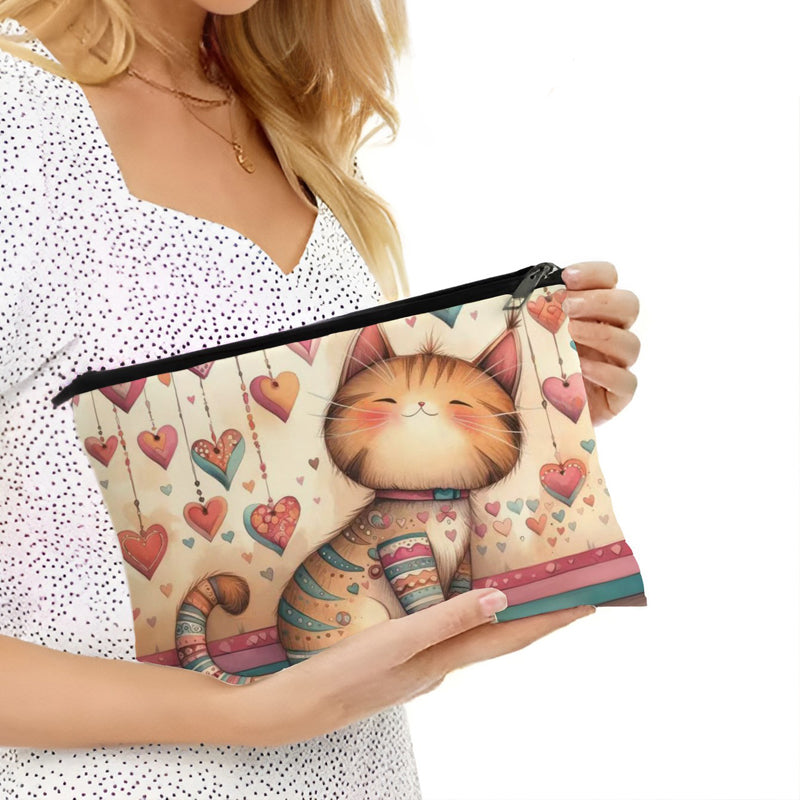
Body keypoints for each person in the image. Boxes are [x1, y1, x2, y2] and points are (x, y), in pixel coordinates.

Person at [0, 0, 641, 797]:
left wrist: (519, 418)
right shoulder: (16, 116)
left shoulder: (282, 114)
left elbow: (290, 483)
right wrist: (239, 715)